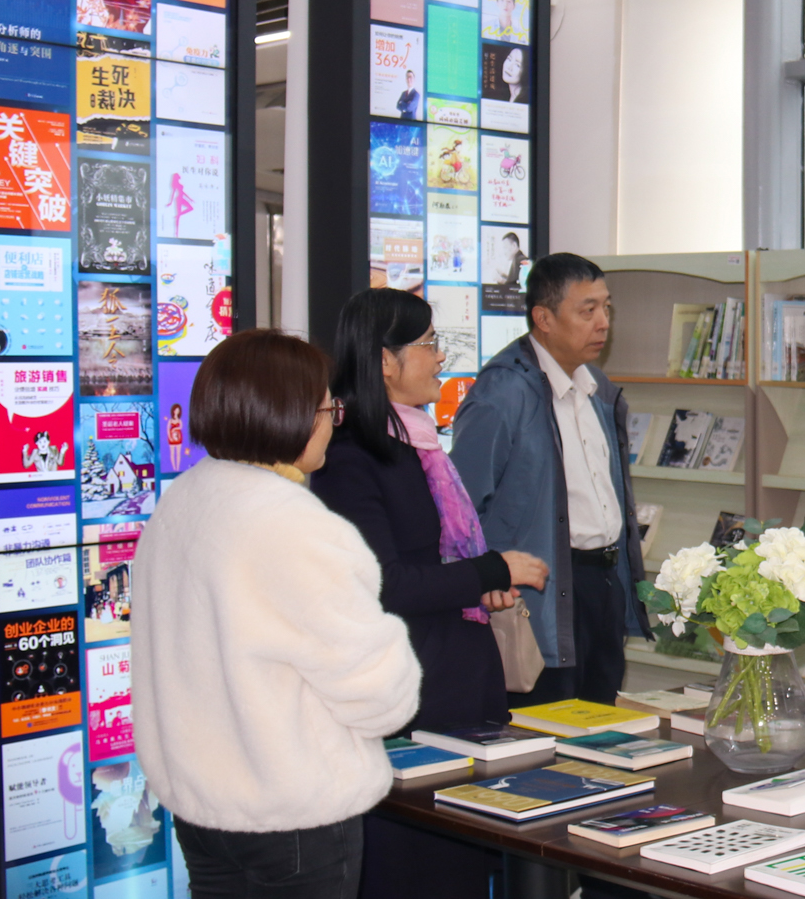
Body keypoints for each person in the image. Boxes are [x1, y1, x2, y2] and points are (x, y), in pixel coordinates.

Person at [131, 329, 420, 899]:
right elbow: (380, 695)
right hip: (293, 812)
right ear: (289, 416)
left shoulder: (182, 501)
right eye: (327, 409)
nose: (333, 422)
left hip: (201, 806)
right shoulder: (296, 525)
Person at [311, 289, 549, 899]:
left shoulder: (417, 442)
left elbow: (437, 560)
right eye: (428, 344)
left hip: (458, 685)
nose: (441, 357)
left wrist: (482, 583)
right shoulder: (351, 456)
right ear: (384, 361)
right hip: (412, 697)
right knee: (415, 871)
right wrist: (490, 570)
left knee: (463, 868)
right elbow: (384, 583)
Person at [451, 253, 650, 703]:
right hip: (541, 592)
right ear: (543, 318)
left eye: (606, 308)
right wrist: (486, 576)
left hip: (602, 584)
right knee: (548, 722)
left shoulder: (596, 388)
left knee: (601, 724)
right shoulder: (502, 395)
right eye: (587, 310)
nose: (603, 323)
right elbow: (460, 508)